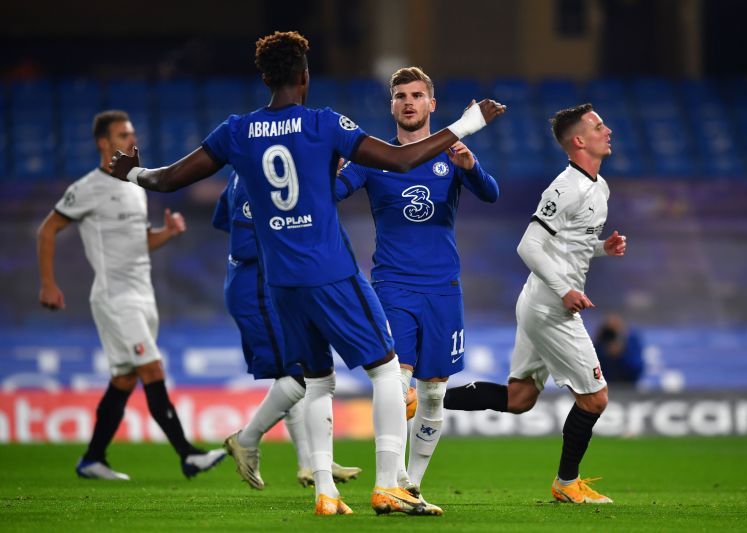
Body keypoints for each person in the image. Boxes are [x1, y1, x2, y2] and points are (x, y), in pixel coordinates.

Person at [107, 31, 505, 515]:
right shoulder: (321, 123)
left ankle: (326, 492)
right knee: (385, 371)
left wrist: (130, 172)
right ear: (304, 77)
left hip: (279, 280)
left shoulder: (235, 131)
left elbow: (166, 179)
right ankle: (389, 486)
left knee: (317, 380)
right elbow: (400, 159)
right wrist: (468, 122)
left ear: (265, 76)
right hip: (330, 270)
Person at [443, 103, 626, 504]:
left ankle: (430, 399)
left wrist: (601, 249)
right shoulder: (565, 188)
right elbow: (529, 245)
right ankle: (566, 483)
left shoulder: (599, 186)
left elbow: (568, 247)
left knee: (519, 398)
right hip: (551, 307)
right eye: (598, 125)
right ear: (578, 140)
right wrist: (564, 290)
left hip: (540, 301)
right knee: (595, 398)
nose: (607, 129)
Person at [336, 66, 498, 509]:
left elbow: (491, 194)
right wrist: (328, 171)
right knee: (395, 379)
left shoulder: (453, 153)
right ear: (391, 105)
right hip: (393, 286)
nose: (408, 102)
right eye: (400, 95)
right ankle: (391, 477)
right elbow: (334, 190)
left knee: (433, 392)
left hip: (444, 288)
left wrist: (472, 166)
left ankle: (412, 484)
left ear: (432, 105)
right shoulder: (373, 158)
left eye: (416, 95)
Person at [36, 110, 227, 481]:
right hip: (115, 297)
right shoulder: (87, 188)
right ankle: (188, 455)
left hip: (143, 295)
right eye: (123, 135)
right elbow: (48, 229)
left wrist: (167, 233)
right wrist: (48, 283)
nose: (131, 140)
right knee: (152, 368)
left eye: (132, 133)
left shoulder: (135, 186)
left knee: (124, 379)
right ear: (103, 143)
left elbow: (139, 242)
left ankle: (92, 459)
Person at [212, 170, 361, 488]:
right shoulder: (264, 178)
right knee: (298, 375)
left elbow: (223, 218)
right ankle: (247, 440)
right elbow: (243, 245)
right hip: (256, 289)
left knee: (293, 372)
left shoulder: (244, 170)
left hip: (263, 284)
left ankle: (310, 463)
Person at [593, 313, 644, 384]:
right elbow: (594, 372)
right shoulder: (600, 342)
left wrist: (622, 354)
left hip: (627, 386)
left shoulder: (631, 341)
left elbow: (637, 370)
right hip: (604, 385)